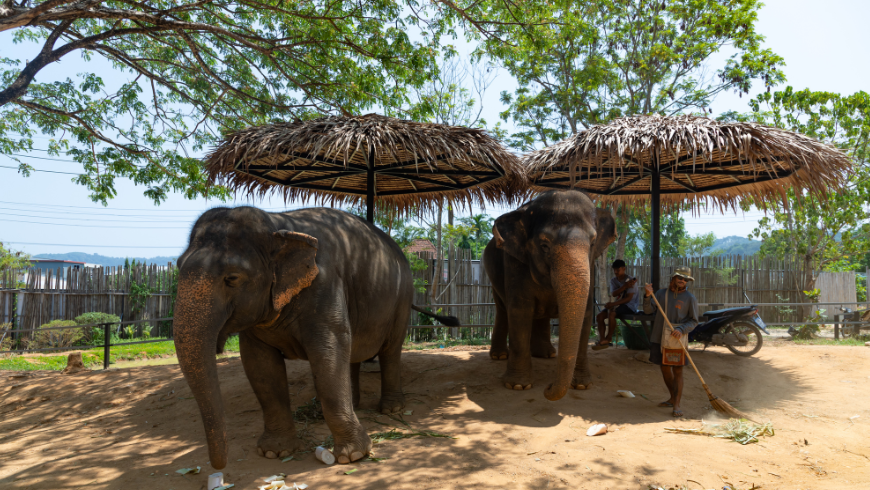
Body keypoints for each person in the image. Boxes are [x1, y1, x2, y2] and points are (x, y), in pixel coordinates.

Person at [642, 266, 699, 418]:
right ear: (673, 278)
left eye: (685, 279)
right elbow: (647, 311)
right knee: (665, 368)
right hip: (659, 338)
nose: (682, 281)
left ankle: (677, 404)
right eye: (680, 277)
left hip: (677, 340)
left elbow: (694, 321)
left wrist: (681, 329)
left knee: (678, 371)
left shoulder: (690, 298)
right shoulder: (660, 294)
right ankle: (672, 397)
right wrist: (647, 296)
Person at [592, 259, 639, 350]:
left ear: (624, 269)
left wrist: (613, 304)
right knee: (599, 316)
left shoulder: (630, 280)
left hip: (630, 305)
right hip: (618, 305)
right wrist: (625, 286)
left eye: (618, 270)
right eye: (614, 270)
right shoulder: (614, 280)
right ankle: (602, 340)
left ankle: (609, 338)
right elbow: (614, 294)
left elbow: (628, 299)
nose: (615, 272)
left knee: (612, 313)